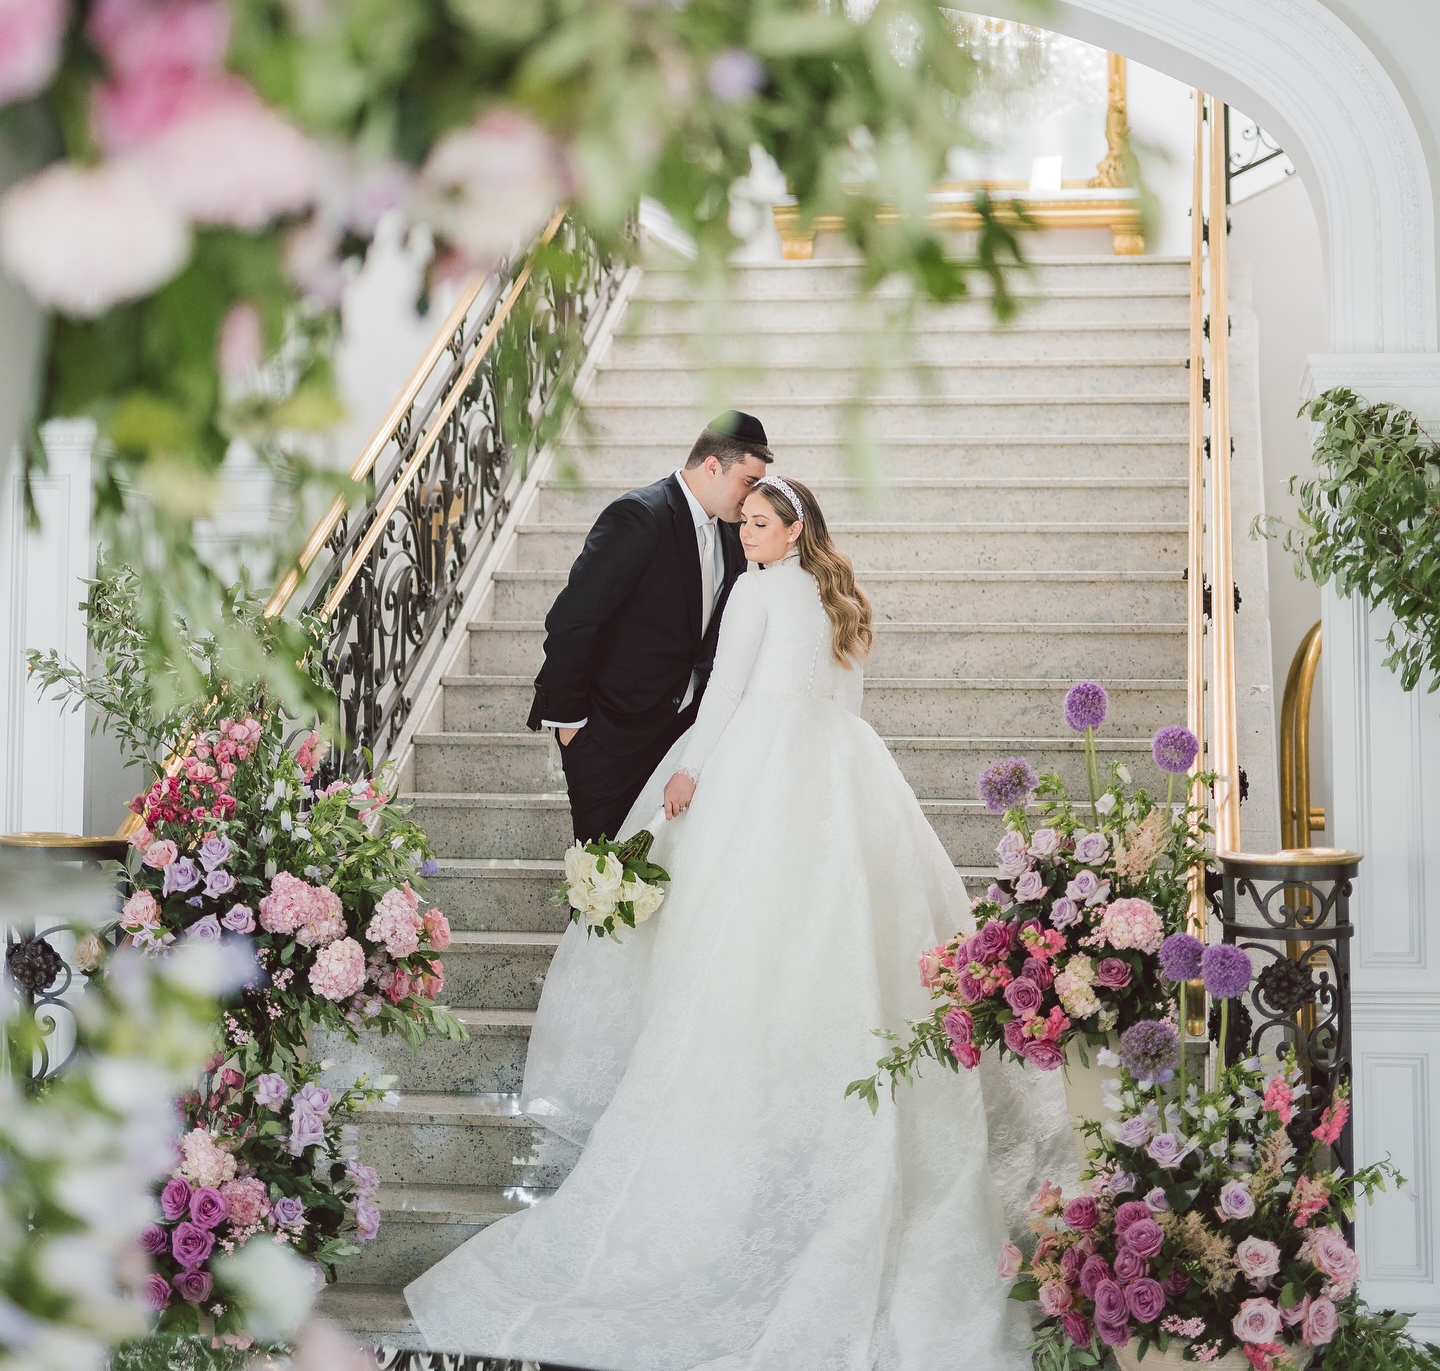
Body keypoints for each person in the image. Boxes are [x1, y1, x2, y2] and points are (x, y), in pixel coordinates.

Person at [407, 476, 1073, 1371]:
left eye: (760, 524)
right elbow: (848, 703)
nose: (747, 534)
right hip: (839, 764)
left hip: (757, 756)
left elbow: (722, 694)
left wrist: (690, 772)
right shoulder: (837, 594)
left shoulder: (759, 592)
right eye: (745, 522)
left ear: (793, 530)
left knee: (737, 940)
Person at [527, 410, 773, 845]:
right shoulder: (639, 515)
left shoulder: (734, 536)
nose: (753, 497)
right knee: (603, 873)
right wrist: (573, 730)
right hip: (609, 741)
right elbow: (574, 621)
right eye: (749, 482)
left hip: (680, 740)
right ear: (712, 466)